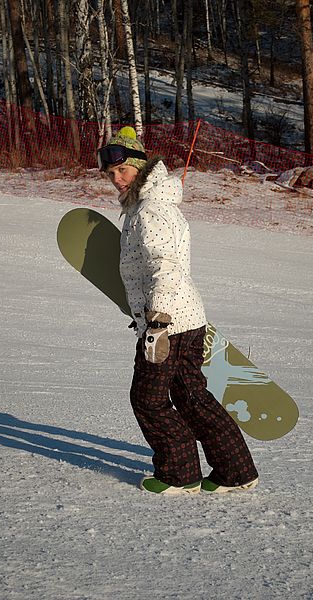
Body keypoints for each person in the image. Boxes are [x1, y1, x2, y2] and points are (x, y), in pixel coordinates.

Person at [98, 127, 259, 495]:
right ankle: (236, 471)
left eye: (122, 171)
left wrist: (157, 320)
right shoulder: (149, 203)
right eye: (110, 174)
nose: (116, 179)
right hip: (186, 317)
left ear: (140, 166)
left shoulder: (151, 209)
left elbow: (165, 265)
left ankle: (179, 474)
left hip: (169, 322)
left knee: (149, 398)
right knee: (191, 395)